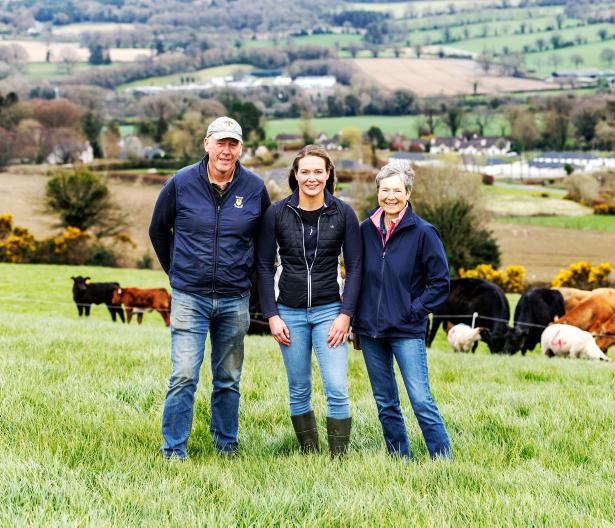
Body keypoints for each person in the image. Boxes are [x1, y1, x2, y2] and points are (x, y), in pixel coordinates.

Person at [149, 116, 271, 460]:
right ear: (207, 144)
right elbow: (158, 230)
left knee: (228, 377)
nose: (226, 150)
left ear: (241, 148)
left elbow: (264, 243)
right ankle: (174, 449)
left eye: (233, 144)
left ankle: (226, 445)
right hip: (190, 297)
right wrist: (176, 272)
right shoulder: (181, 183)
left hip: (235, 298)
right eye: (220, 143)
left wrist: (252, 284)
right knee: (184, 374)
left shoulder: (254, 188)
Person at [258, 144, 362, 457]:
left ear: (328, 174)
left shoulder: (343, 213)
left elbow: (355, 267)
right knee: (299, 388)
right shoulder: (277, 213)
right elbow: (263, 265)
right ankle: (309, 453)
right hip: (288, 313)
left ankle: (339, 458)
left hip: (330, 312)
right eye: (305, 172)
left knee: (337, 387)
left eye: (318, 171)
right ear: (296, 174)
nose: (311, 178)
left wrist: (345, 315)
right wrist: (272, 315)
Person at [353, 160, 452, 459]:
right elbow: (356, 277)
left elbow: (440, 283)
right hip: (370, 331)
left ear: (408, 193)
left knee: (420, 400)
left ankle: (443, 460)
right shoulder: (365, 230)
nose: (391, 197)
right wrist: (356, 322)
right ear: (378, 193)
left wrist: (413, 311)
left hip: (406, 329)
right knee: (385, 402)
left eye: (397, 190)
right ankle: (399, 458)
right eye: (385, 190)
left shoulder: (424, 232)